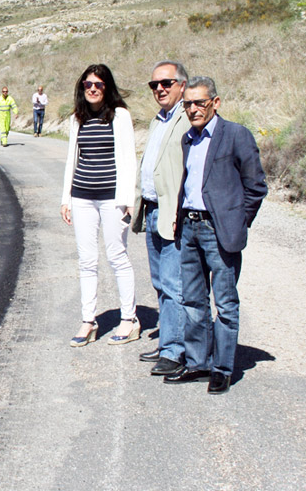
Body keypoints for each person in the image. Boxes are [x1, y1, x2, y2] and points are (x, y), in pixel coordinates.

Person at [164, 77, 267, 394]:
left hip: (219, 230)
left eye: (200, 103)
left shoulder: (236, 135)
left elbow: (255, 186)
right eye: (188, 104)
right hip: (190, 228)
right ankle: (198, 363)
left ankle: (222, 369)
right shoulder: (188, 139)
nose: (193, 109)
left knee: (225, 303)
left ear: (216, 103)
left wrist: (237, 222)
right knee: (193, 301)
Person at [60, 64, 138, 347]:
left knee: (117, 256)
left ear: (107, 87)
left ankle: (129, 319)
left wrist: (129, 200)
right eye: (88, 84)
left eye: (99, 84)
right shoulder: (77, 118)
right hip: (82, 196)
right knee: (87, 260)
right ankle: (88, 321)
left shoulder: (119, 116)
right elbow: (72, 158)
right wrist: (66, 198)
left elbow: (129, 158)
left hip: (112, 198)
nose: (92, 89)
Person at [131, 61, 191, 377]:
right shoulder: (159, 119)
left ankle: (175, 351)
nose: (159, 89)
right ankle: (168, 340)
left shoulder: (188, 117)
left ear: (182, 84)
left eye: (166, 83)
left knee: (173, 283)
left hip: (173, 214)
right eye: (154, 85)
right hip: (152, 210)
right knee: (160, 282)